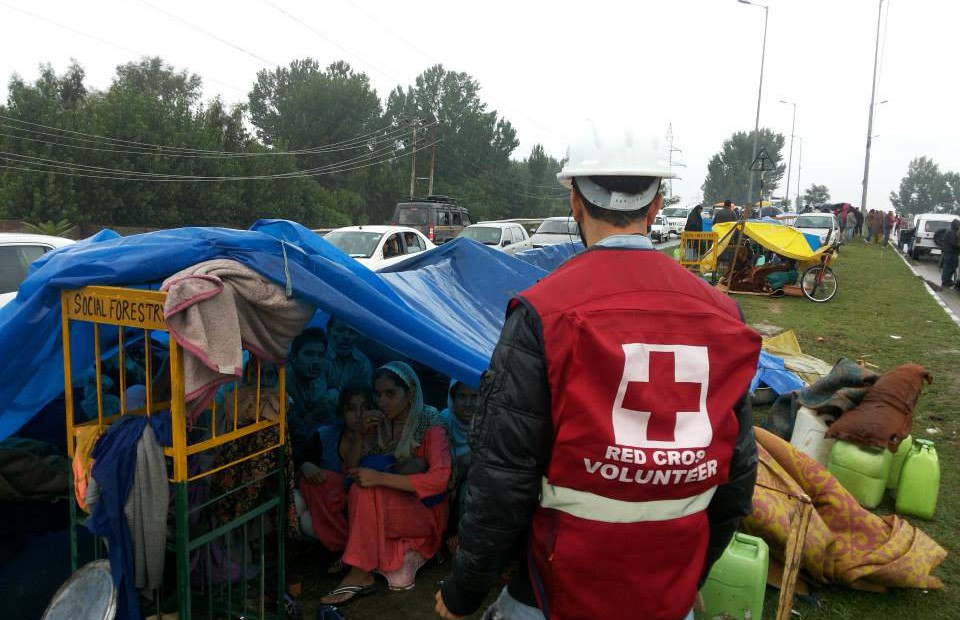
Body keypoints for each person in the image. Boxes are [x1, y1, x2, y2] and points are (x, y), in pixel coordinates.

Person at [436, 121, 761, 620]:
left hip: (555, 591)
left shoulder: (542, 313)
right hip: (668, 594)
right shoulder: (724, 315)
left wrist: (463, 592)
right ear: (656, 207)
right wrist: (694, 574)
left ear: (574, 201)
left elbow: (502, 480)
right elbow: (737, 483)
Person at [322, 361, 451, 604]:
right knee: (326, 484)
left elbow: (439, 481)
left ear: (410, 391)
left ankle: (359, 572)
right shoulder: (379, 422)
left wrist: (380, 478)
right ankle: (354, 550)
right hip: (385, 503)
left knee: (363, 489)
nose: (382, 402)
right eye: (378, 394)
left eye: (390, 394)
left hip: (425, 511)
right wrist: (360, 434)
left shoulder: (430, 424)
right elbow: (351, 471)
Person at [326, 316, 373, 400]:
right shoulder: (318, 356)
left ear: (359, 335)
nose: (346, 336)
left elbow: (365, 395)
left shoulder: (362, 362)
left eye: (352, 331)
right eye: (340, 330)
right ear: (329, 330)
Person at [940, 220, 960, 289]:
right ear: (955, 225)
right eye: (958, 225)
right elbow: (953, 243)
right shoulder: (951, 232)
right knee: (949, 266)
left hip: (950, 252)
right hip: (950, 252)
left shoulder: (951, 232)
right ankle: (946, 281)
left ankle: (947, 280)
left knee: (951, 266)